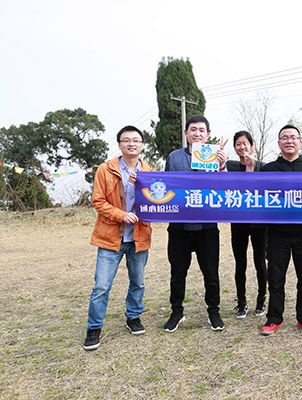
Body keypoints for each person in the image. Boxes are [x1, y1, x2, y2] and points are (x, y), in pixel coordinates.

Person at [84, 125, 154, 351]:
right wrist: (121, 215)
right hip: (110, 237)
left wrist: (141, 184)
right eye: (127, 140)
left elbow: (157, 200)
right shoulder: (106, 169)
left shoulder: (149, 171)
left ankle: (133, 317)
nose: (132, 144)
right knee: (101, 286)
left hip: (139, 237)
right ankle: (94, 328)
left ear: (142, 145)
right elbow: (98, 201)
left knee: (138, 282)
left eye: (136, 140)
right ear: (119, 144)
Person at [163, 115, 228, 332]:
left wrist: (221, 166)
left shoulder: (215, 157)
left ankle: (213, 312)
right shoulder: (174, 157)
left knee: (211, 272)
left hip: (207, 226)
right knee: (177, 273)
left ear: (208, 135)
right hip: (179, 226)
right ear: (186, 133)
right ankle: (177, 312)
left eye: (201, 130)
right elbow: (165, 184)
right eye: (193, 129)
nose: (197, 133)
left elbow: (225, 189)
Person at [259, 124, 302, 335]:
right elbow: (256, 196)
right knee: (275, 278)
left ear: (299, 142)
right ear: (279, 143)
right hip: (277, 234)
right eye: (284, 137)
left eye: (293, 137)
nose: (289, 141)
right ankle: (274, 318)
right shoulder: (268, 170)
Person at [225, 131, 267, 318]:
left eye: (245, 143)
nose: (242, 147)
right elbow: (225, 186)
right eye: (238, 144)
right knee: (240, 263)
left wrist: (251, 167)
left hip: (260, 223)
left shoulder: (264, 168)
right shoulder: (230, 167)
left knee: (260, 262)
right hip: (238, 222)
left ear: (252, 145)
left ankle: (261, 300)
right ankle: (241, 302)